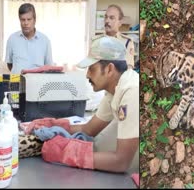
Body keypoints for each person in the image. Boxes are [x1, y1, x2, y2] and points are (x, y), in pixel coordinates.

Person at [26, 36, 139, 173]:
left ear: (109, 69)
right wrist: (55, 125)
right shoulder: (113, 91)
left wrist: (67, 154)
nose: (87, 75)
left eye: (92, 69)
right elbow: (89, 129)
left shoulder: (131, 91)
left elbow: (121, 162)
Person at [5, 3, 53, 74]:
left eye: (29, 19)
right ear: (19, 20)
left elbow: (48, 67)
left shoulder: (45, 40)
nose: (26, 23)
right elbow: (10, 64)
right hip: (18, 82)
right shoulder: (12, 39)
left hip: (38, 83)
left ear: (34, 20)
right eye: (23, 20)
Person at [101, 4, 135, 69]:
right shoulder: (96, 41)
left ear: (120, 22)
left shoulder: (127, 42)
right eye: (106, 17)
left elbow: (129, 69)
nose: (107, 21)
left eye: (111, 18)